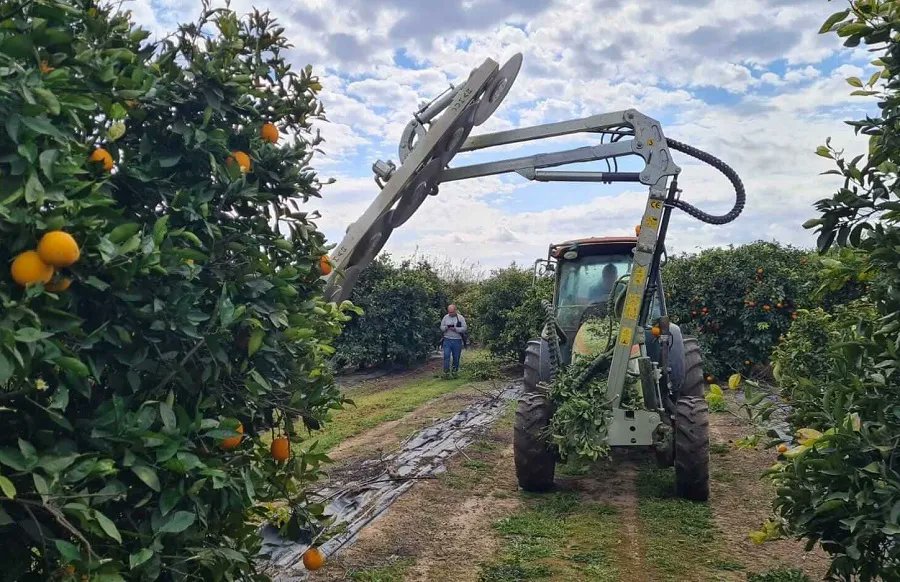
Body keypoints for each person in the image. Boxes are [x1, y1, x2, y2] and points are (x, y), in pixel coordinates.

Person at [440, 304, 467, 378]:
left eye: (452, 312)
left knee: (456, 357)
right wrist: (446, 327)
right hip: (447, 339)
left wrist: (456, 329)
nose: (450, 314)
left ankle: (455, 372)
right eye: (449, 312)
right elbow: (441, 327)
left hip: (457, 340)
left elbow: (464, 328)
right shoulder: (445, 317)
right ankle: (446, 373)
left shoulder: (460, 318)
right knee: (446, 355)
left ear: (455, 310)